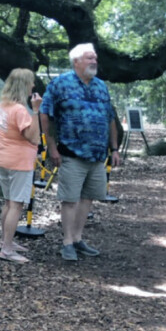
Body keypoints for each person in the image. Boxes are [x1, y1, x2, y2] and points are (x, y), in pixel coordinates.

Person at [40, 43, 119, 262]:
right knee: (70, 199)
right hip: (70, 152)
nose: (94, 61)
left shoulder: (101, 86)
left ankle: (77, 238)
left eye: (95, 58)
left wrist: (114, 148)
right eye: (89, 58)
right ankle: (67, 242)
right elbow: (46, 115)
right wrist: (51, 146)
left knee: (88, 198)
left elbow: (110, 117)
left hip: (97, 156)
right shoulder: (60, 84)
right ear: (76, 61)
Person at [0, 69, 42, 263]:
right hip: (19, 162)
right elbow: (32, 136)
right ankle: (6, 249)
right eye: (30, 82)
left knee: (8, 202)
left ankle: (6, 241)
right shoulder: (20, 110)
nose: (33, 86)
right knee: (16, 205)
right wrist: (37, 111)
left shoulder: (2, 106)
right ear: (23, 85)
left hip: (3, 158)